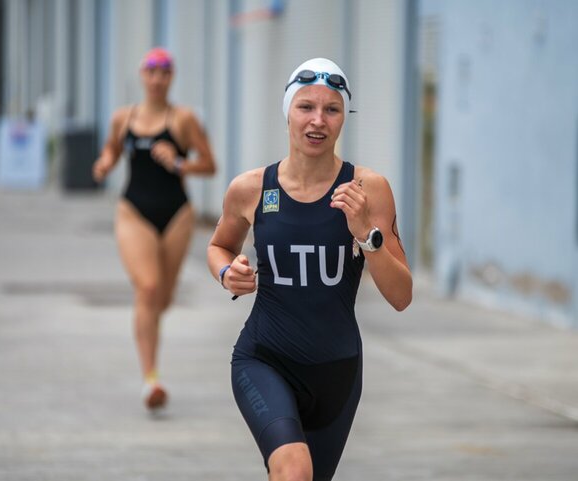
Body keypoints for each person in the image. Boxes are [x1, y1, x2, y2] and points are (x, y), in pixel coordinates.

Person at [207, 58, 412, 481]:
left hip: (336, 371)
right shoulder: (251, 188)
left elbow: (401, 296)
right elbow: (219, 246)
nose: (318, 120)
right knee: (294, 470)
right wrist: (228, 272)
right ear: (288, 112)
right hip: (264, 360)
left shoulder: (368, 189)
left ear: (343, 118)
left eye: (332, 109)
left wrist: (364, 234)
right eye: (306, 107)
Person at [92, 47, 216, 411]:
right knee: (147, 288)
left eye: (164, 73)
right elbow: (111, 152)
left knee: (162, 298)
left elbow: (209, 164)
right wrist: (102, 166)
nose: (158, 80)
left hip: (177, 213)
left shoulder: (183, 120)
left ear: (171, 77)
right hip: (134, 211)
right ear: (142, 76)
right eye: (151, 72)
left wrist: (179, 162)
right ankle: (151, 381)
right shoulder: (123, 118)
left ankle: (149, 325)